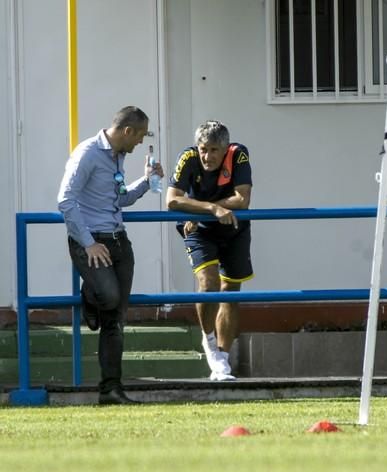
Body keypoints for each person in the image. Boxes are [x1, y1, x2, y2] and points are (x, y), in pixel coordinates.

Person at [57, 106, 164, 405]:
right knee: (110, 298)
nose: (141, 142)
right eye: (140, 135)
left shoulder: (118, 156)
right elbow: (65, 200)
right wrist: (89, 243)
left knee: (115, 320)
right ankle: (90, 295)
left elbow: (119, 199)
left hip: (119, 242)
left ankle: (111, 390)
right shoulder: (88, 153)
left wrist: (146, 181)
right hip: (90, 242)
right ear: (127, 131)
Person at [166, 120, 252, 381]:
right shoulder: (188, 156)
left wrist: (199, 205)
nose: (207, 156)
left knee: (231, 292)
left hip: (234, 229)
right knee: (208, 282)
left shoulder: (239, 154)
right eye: (204, 149)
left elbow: (242, 199)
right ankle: (209, 341)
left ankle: (222, 360)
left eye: (214, 150)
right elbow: (172, 200)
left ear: (225, 149)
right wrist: (212, 209)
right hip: (199, 229)